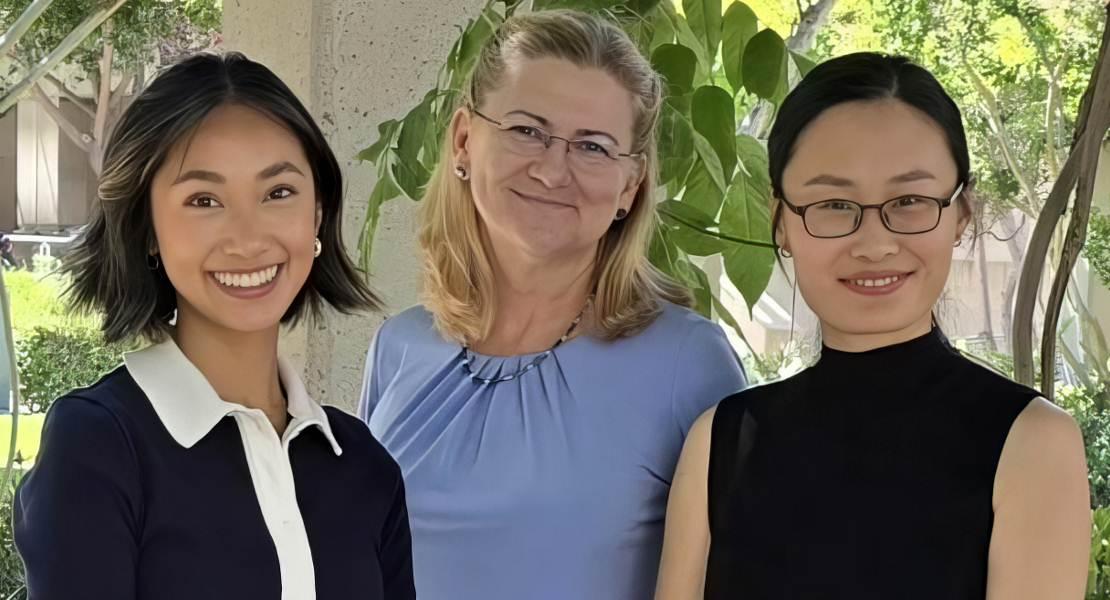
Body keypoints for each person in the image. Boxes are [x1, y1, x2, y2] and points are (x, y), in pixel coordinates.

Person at [655, 52, 1091, 600]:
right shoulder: (721, 440)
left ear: (962, 214)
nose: (875, 244)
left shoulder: (1032, 443)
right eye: (834, 204)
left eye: (909, 201)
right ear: (780, 221)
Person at [359, 10, 747, 600]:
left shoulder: (686, 364)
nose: (551, 170)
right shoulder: (400, 347)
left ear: (630, 185)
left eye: (592, 146)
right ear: (464, 140)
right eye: (526, 131)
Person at [14, 52, 415, 600]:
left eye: (278, 193)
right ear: (147, 230)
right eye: (204, 200)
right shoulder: (99, 448)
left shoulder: (364, 466)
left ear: (317, 215)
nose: (247, 239)